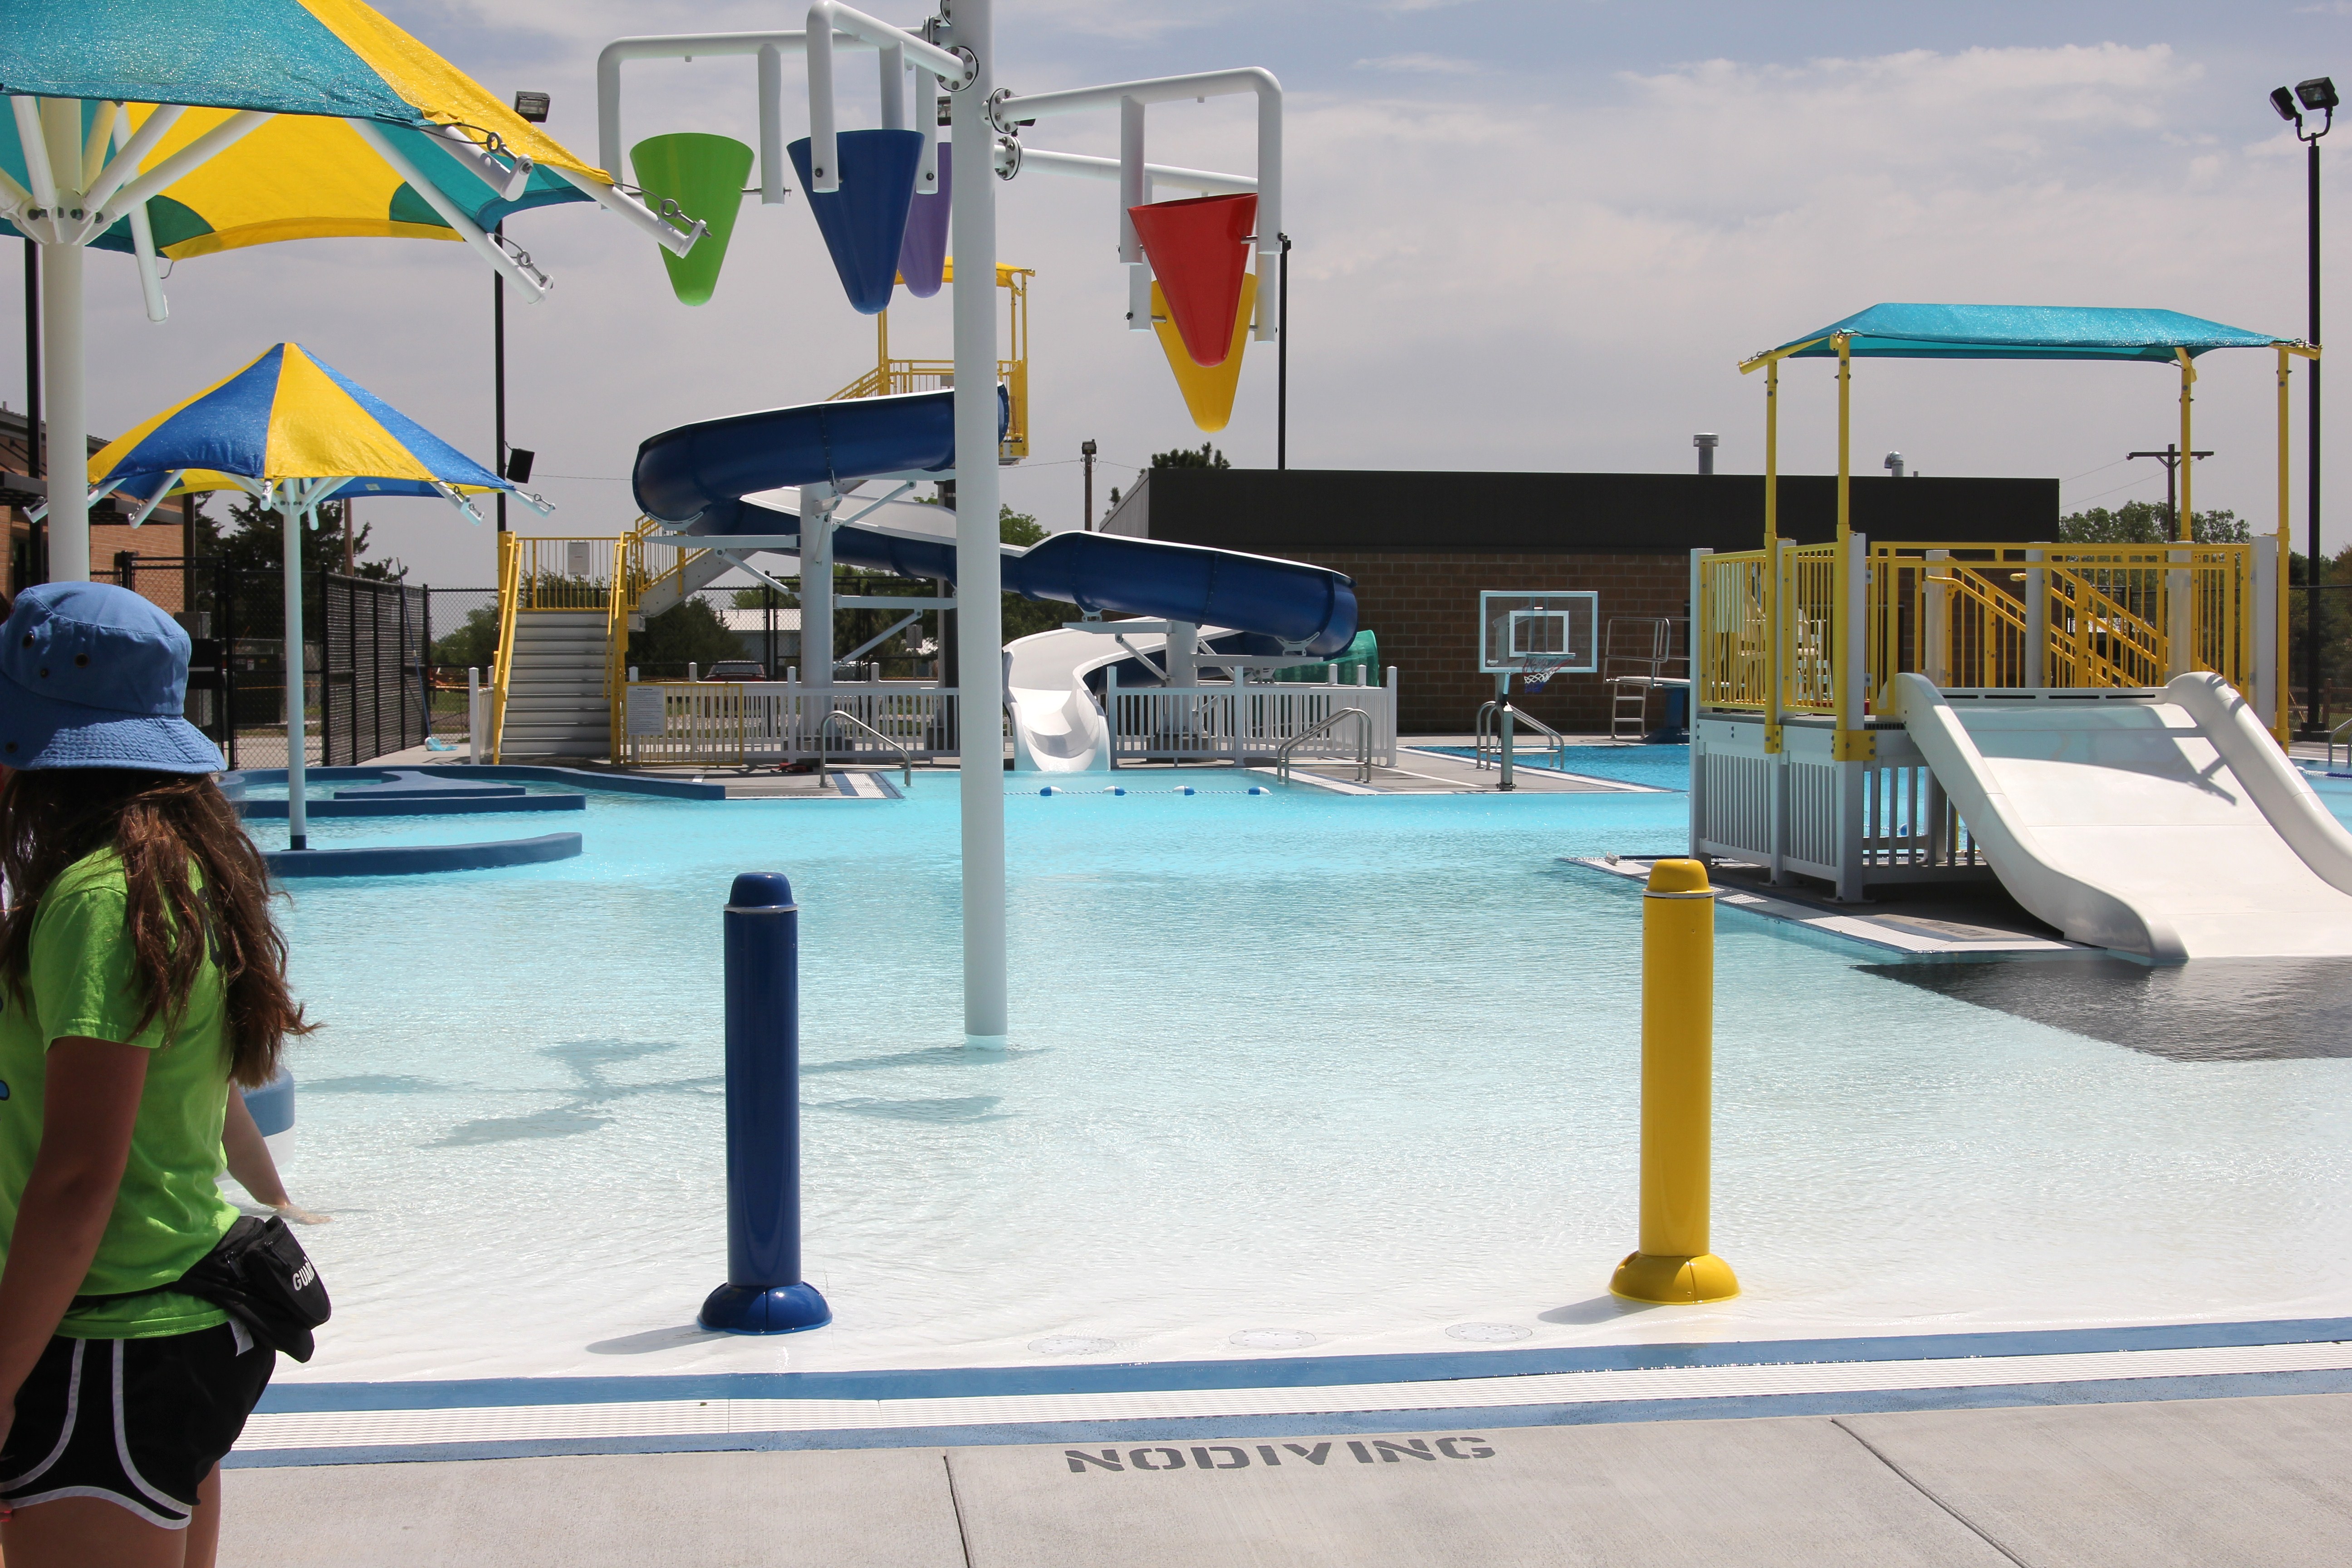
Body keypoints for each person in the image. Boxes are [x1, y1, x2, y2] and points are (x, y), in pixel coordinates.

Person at [0, 583, 312, 1568]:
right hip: (173, 1325)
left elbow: (82, 1177)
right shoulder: (164, 873)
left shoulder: (98, 901)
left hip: (107, 1344)